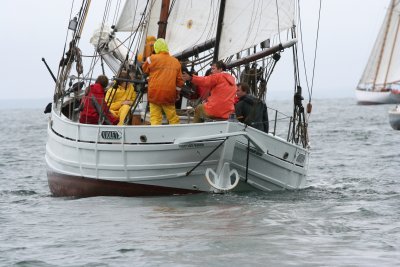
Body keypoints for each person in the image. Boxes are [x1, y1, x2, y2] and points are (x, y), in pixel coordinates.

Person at [142, 38, 184, 125]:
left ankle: (155, 134)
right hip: (169, 94)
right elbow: (180, 82)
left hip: (154, 93)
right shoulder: (176, 62)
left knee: (155, 117)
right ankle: (176, 134)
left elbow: (144, 69)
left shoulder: (151, 59)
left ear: (156, 48)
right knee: (172, 118)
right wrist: (177, 94)